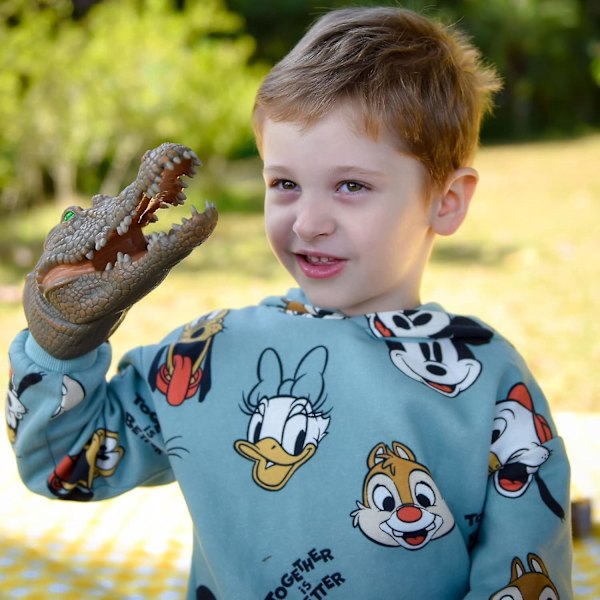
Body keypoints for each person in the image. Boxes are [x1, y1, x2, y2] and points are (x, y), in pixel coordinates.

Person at [7, 6, 572, 599]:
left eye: (351, 185)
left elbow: (524, 577)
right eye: (285, 184)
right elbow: (63, 464)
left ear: (447, 201)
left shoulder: (487, 379)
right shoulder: (209, 357)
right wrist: (59, 339)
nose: (307, 221)